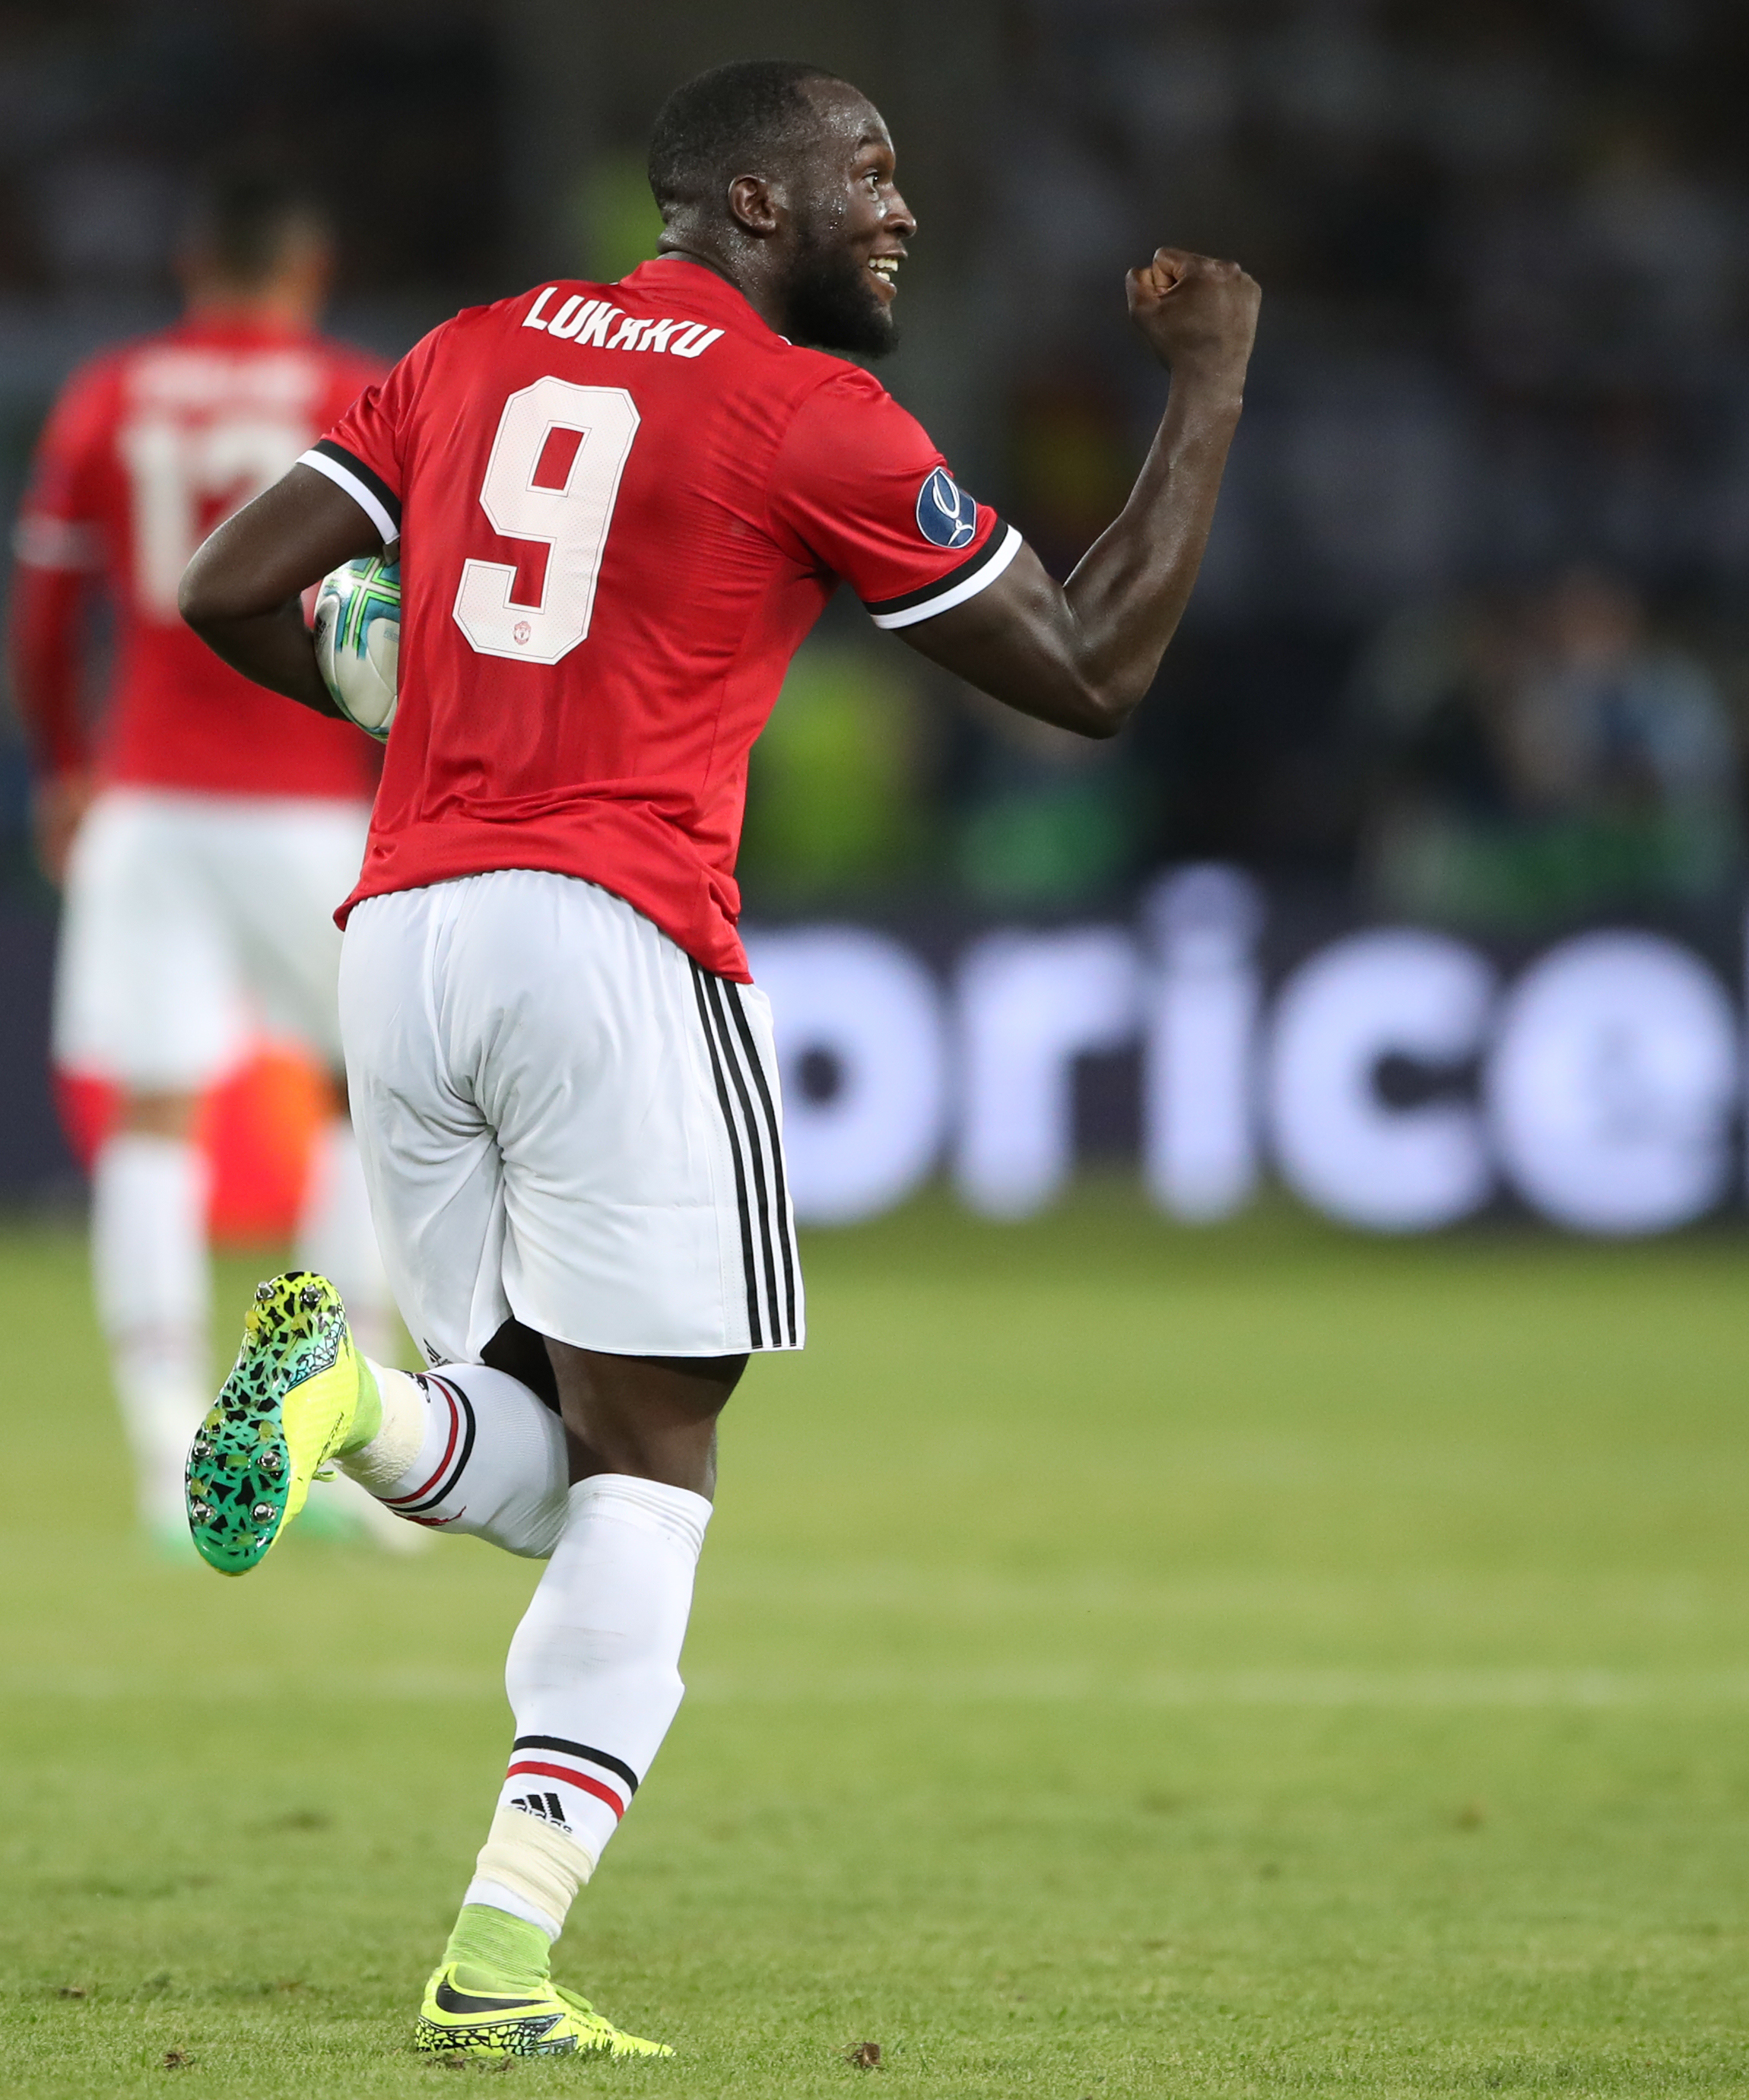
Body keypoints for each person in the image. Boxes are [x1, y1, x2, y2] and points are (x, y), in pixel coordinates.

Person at [173, 60, 1259, 2060]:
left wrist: (400, 681)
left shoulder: (463, 355)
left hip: (405, 944)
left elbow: (224, 586)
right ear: (750, 208)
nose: (898, 209)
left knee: (554, 1450)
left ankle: (344, 1400)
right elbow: (1092, 669)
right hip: (615, 941)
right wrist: (1207, 383)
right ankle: (495, 1961)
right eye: (866, 174)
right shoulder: (805, 413)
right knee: (656, 1471)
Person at [8, 163, 406, 1553]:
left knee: (155, 1114)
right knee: (372, 1091)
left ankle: (164, 1452)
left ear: (194, 268)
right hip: (309, 801)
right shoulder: (358, 393)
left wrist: (65, 768)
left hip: (152, 799)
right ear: (310, 272)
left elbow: (46, 614)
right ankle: (323, 1432)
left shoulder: (111, 393)